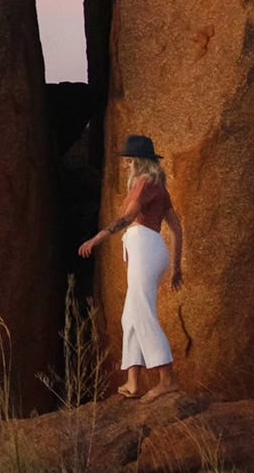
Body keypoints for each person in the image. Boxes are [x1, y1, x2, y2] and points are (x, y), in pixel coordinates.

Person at [78, 134, 183, 402]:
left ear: (139, 162)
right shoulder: (159, 186)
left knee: (143, 314)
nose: (126, 166)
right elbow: (177, 227)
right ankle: (134, 383)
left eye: (129, 161)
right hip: (151, 248)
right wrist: (176, 267)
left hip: (144, 247)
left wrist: (96, 238)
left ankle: (167, 379)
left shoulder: (144, 182)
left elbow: (126, 217)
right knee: (131, 316)